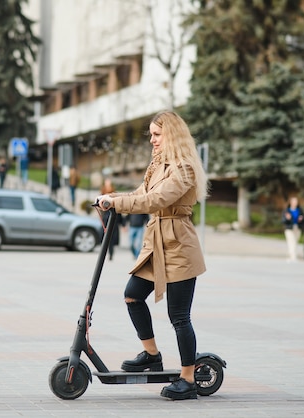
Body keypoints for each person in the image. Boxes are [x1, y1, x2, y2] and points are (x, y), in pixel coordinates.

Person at [97, 111, 208, 401]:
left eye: (156, 134)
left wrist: (118, 202)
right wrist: (113, 199)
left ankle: (187, 379)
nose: (152, 140)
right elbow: (142, 192)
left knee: (179, 317)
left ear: (171, 134)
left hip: (179, 245)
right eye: (151, 134)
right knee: (132, 295)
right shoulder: (158, 164)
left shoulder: (184, 168)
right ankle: (151, 354)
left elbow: (156, 200)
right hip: (156, 242)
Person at [99, 177, 121, 260]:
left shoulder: (114, 194)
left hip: (113, 217)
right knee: (104, 236)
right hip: (105, 217)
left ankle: (111, 253)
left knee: (111, 237)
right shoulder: (102, 193)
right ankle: (105, 252)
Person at [282, 196, 304, 262]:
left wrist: (301, 219)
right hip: (289, 228)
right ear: (290, 202)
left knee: (295, 242)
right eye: (293, 201)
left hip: (297, 228)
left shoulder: (300, 210)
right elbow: (283, 220)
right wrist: (287, 218)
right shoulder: (287, 210)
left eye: (296, 201)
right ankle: (293, 257)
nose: (294, 203)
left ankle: (291, 254)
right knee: (291, 242)